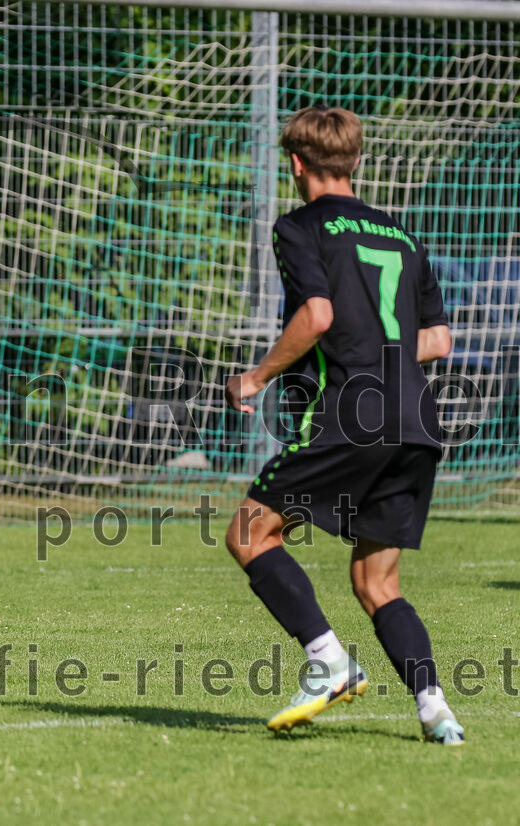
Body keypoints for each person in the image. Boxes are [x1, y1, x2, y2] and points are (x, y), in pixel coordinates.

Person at [223, 105, 463, 744]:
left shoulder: (300, 227)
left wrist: (256, 377)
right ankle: (436, 710)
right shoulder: (402, 235)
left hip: (352, 412)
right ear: (355, 162)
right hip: (417, 418)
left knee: (249, 533)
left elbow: (318, 316)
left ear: (296, 163)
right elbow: (437, 339)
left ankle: (328, 662)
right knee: (377, 581)